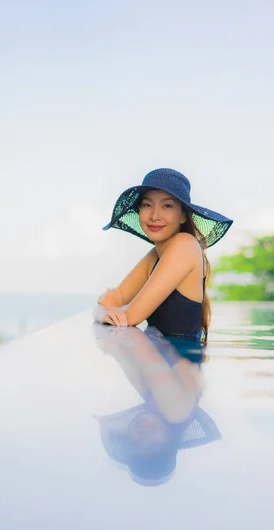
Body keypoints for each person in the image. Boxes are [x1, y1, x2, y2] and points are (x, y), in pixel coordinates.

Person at [95, 168, 233, 342]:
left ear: (183, 215)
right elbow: (115, 298)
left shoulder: (185, 245)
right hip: (160, 362)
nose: (154, 216)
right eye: (147, 205)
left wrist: (107, 311)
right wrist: (103, 312)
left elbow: (130, 317)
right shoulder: (155, 255)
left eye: (167, 205)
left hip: (181, 363)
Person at [93, 324, 221, 486]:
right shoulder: (176, 409)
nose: (144, 435)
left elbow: (115, 341)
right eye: (154, 445)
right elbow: (131, 336)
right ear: (171, 439)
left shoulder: (152, 397)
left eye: (135, 443)